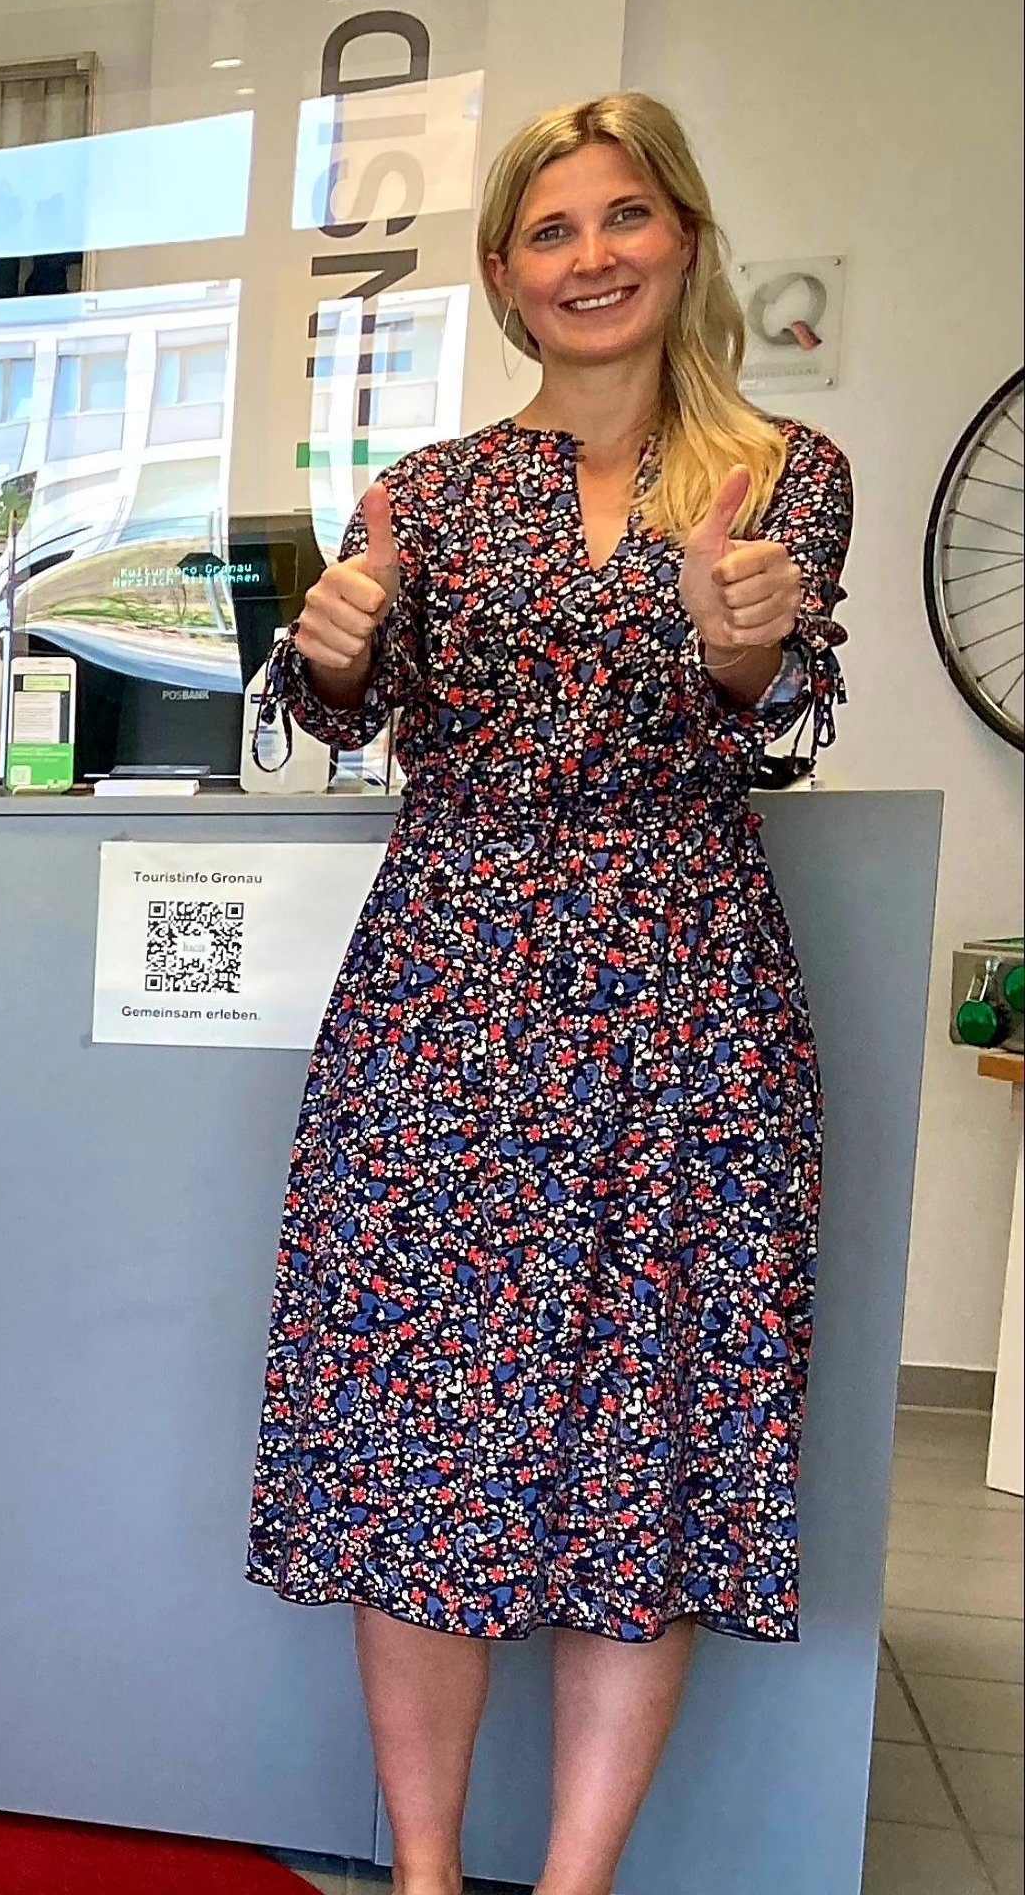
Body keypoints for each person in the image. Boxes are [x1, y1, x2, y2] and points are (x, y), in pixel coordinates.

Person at [247, 93, 847, 1895]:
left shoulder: (781, 471)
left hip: (684, 997)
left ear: (681, 237)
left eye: (622, 219)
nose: (590, 257)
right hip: (445, 997)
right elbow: (325, 729)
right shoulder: (425, 492)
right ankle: (427, 1876)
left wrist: (743, 648)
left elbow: (796, 719)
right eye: (548, 232)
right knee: (423, 1430)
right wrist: (325, 654)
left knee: (639, 1441)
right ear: (505, 278)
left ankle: (572, 1886)